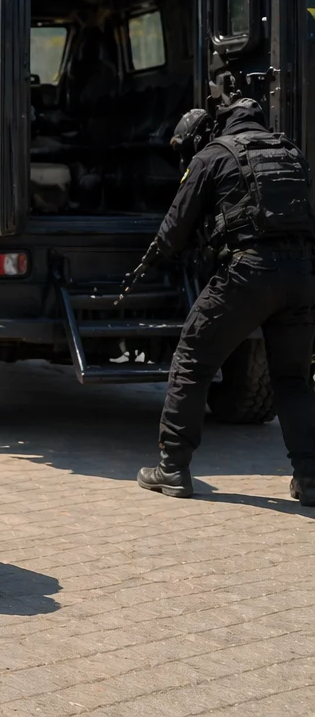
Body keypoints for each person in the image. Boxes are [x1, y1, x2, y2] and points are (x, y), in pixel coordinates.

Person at [134, 95, 315, 503]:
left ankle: (172, 468)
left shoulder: (213, 155)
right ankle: (311, 478)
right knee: (293, 380)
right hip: (301, 275)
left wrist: (157, 257)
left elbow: (175, 229)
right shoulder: (291, 153)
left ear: (223, 123)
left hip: (248, 274)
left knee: (191, 360)